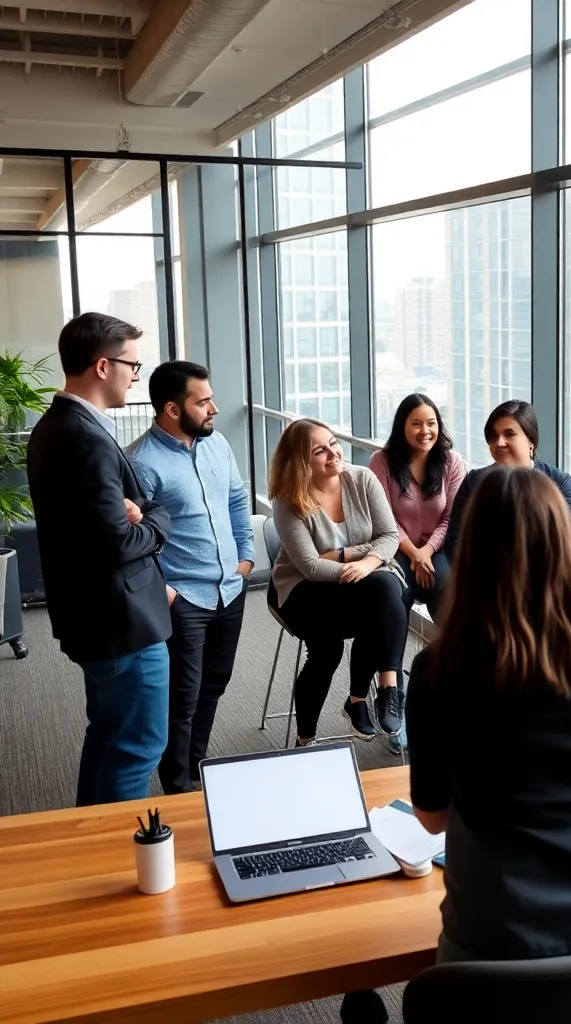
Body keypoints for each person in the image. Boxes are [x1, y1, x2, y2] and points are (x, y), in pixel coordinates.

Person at [407, 467, 571, 963]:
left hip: (497, 944)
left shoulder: (437, 670)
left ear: (471, 553)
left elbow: (431, 817)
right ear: (562, 547)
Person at [26, 312, 172, 806]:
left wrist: (138, 514)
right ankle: (110, 864)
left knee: (108, 738)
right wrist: (157, 521)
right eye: (133, 364)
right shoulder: (83, 436)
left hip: (98, 616)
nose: (138, 375)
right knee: (137, 748)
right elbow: (118, 543)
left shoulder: (59, 425)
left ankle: (86, 842)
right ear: (103, 365)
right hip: (121, 623)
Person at [126, 361, 254, 796]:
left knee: (215, 684)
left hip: (230, 589)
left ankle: (197, 768)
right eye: (203, 402)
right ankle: (178, 787)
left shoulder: (217, 444)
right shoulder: (140, 462)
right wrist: (165, 589)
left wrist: (246, 557)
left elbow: (238, 497)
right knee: (182, 698)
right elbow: (132, 538)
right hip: (185, 598)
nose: (214, 408)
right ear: (172, 409)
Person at [268, 418, 407, 745]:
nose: (333, 453)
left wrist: (359, 560)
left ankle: (383, 690)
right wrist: (362, 562)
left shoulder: (362, 479)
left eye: (333, 443)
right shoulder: (287, 500)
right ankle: (306, 740)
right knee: (327, 650)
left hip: (359, 579)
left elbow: (389, 536)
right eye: (320, 451)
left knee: (385, 594)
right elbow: (312, 567)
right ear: (301, 462)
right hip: (301, 591)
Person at [369, 393, 465, 620]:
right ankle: (391, 656)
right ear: (402, 426)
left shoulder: (452, 462)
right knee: (396, 592)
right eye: (416, 424)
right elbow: (385, 517)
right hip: (396, 547)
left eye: (431, 424)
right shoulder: (381, 461)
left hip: (437, 548)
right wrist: (415, 554)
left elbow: (452, 518)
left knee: (449, 589)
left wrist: (426, 552)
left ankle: (450, 653)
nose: (425, 431)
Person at [443, 400, 571, 561]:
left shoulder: (558, 483)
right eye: (494, 435)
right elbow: (454, 542)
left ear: (531, 442)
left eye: (510, 434)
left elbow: (560, 538)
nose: (499, 442)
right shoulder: (474, 482)